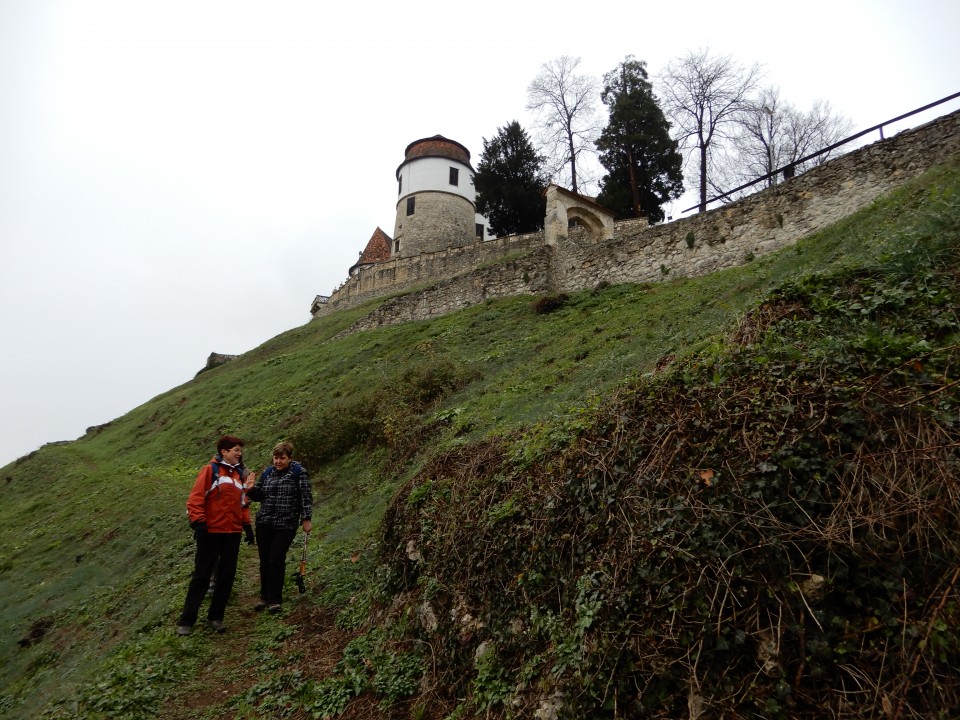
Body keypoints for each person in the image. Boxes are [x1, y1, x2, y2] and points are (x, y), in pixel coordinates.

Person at [176, 435, 256, 635]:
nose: (239, 453)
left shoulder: (239, 475)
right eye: (236, 450)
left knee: (227, 576)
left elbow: (243, 502)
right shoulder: (210, 470)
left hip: (232, 533)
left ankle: (216, 617)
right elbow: (195, 498)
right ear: (224, 452)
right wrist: (199, 522)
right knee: (201, 576)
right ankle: (187, 621)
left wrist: (247, 526)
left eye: (240, 450)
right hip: (210, 532)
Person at [246, 441, 313, 613]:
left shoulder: (298, 473)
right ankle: (264, 597)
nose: (278, 462)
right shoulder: (268, 473)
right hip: (264, 522)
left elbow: (306, 497)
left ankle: (275, 599)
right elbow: (259, 495)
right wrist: (251, 490)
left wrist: (306, 518)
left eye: (282, 458)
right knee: (264, 560)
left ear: (289, 458)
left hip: (286, 523)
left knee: (276, 558)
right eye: (276, 458)